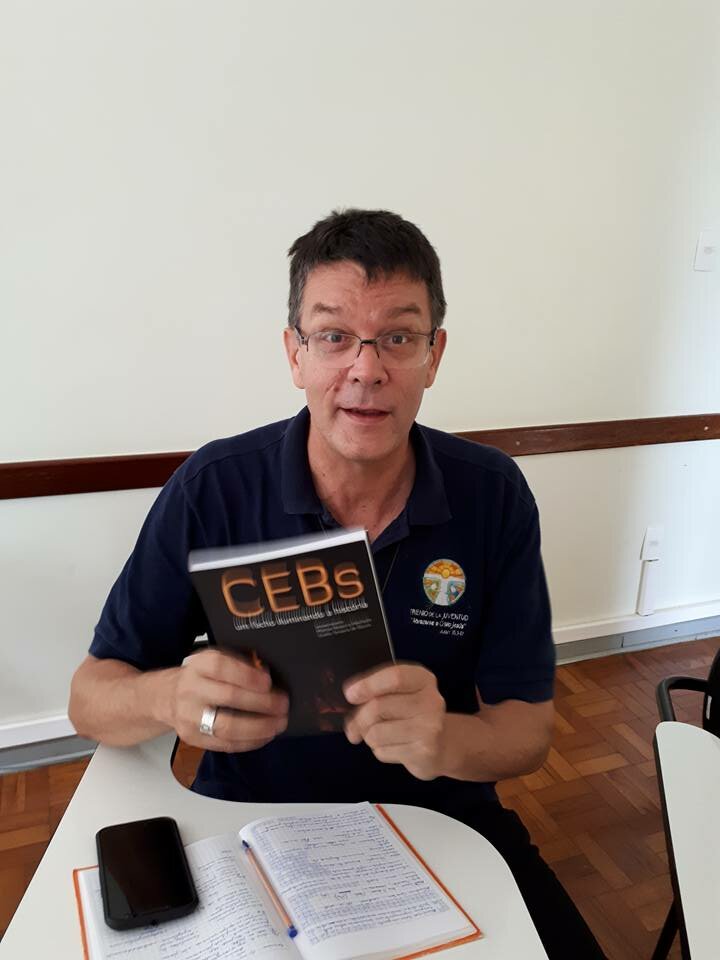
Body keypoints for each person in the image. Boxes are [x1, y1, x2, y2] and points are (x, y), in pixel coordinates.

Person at [69, 208, 606, 959]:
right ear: (295, 353)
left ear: (434, 354)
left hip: (442, 824)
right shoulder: (213, 487)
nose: (366, 368)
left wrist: (446, 739)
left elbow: (527, 732)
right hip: (250, 824)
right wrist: (170, 699)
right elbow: (90, 697)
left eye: (398, 337)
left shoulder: (493, 494)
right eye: (333, 336)